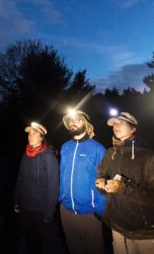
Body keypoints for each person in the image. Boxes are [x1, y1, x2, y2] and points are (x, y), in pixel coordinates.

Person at [95, 112, 154, 254]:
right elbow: (102, 174)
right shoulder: (110, 153)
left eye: (121, 123)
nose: (116, 126)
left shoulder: (148, 155)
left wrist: (123, 187)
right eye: (114, 124)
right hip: (118, 227)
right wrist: (101, 182)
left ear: (133, 128)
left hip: (147, 229)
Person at [59, 109, 106, 254]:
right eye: (70, 121)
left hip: (90, 212)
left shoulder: (98, 148)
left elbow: (104, 180)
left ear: (85, 124)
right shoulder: (65, 146)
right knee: (74, 249)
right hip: (66, 210)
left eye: (77, 119)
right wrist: (60, 198)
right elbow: (62, 174)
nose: (72, 123)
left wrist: (100, 210)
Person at [13, 122, 62, 254]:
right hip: (25, 208)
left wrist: (49, 213)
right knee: (28, 240)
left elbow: (53, 187)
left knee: (37, 244)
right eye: (29, 133)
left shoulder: (49, 156)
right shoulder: (26, 154)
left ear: (42, 137)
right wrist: (16, 200)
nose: (30, 135)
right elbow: (20, 179)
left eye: (35, 133)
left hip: (39, 211)